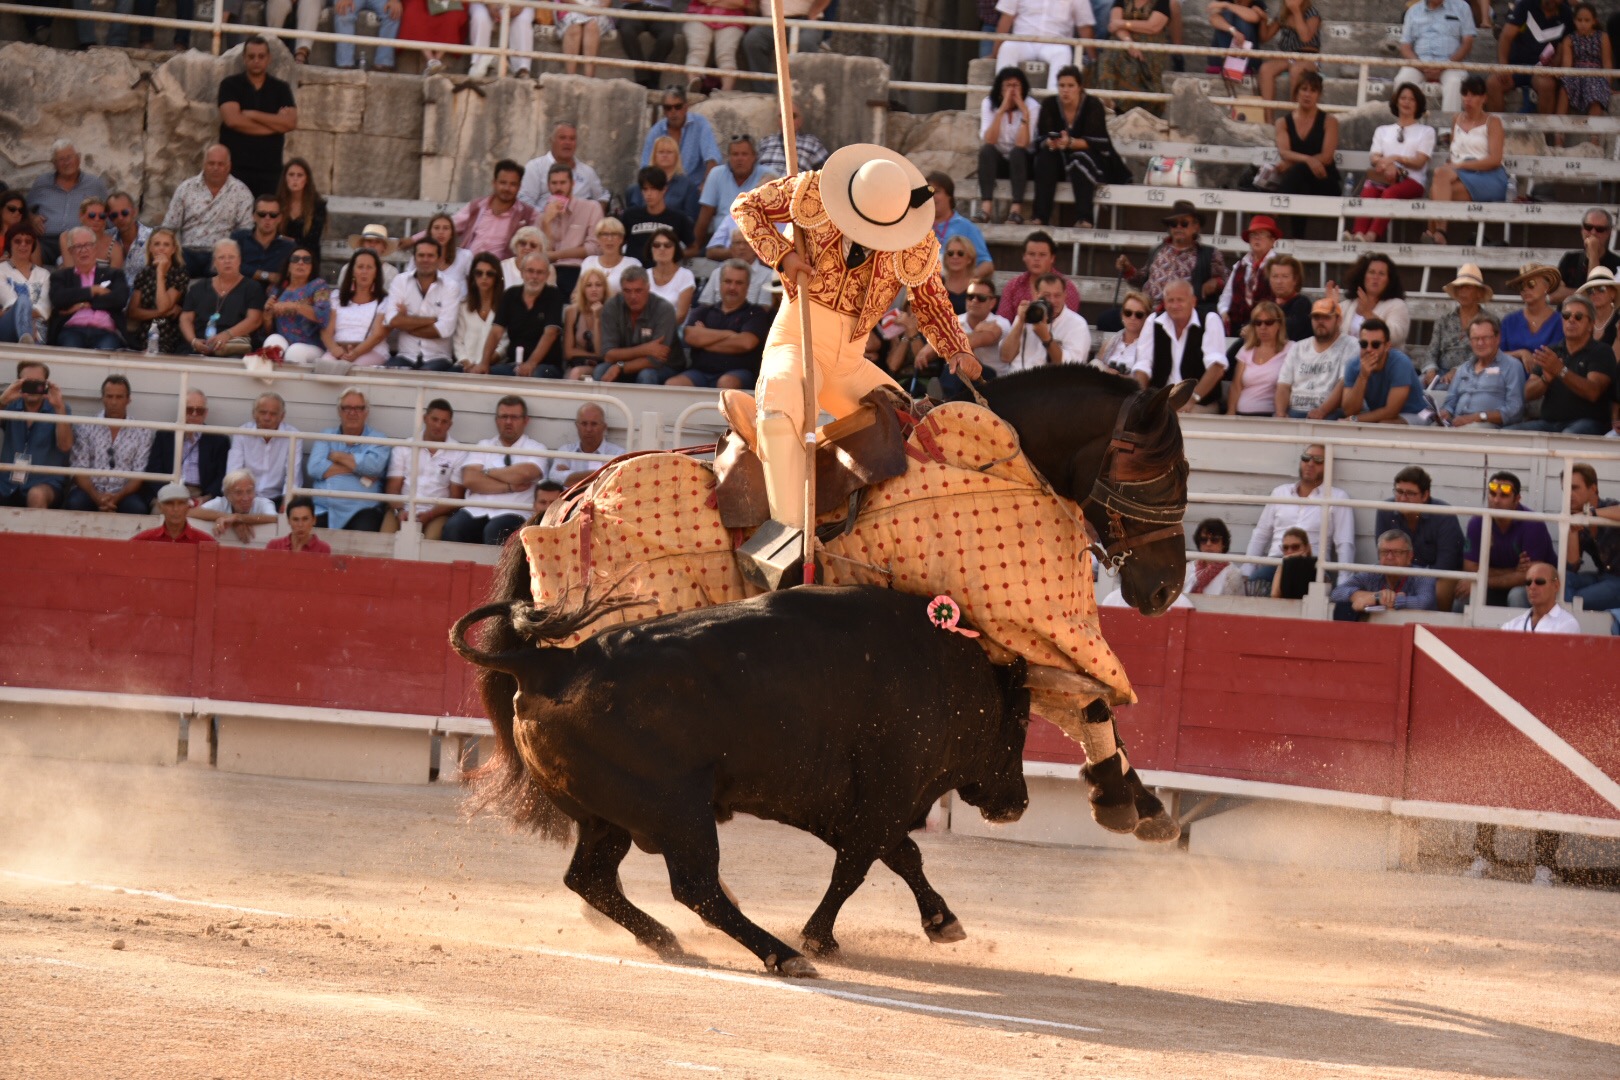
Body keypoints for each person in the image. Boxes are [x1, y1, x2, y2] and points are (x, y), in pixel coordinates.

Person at [732, 144, 979, 537]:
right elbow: (746, 206)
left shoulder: (915, 237)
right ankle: (786, 531)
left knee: (912, 433)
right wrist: (783, 256)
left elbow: (931, 299)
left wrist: (957, 347)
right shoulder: (812, 190)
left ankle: (882, 535)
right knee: (780, 407)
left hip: (849, 361)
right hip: (796, 340)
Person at [1243, 442, 1355, 588]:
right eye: (1306, 458)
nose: (1310, 463)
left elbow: (1344, 543)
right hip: (1277, 561)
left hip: (1314, 564)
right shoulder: (1280, 493)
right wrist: (1247, 571)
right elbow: (1261, 534)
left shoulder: (1338, 497)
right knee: (1256, 584)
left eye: (1318, 460)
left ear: (1328, 466)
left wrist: (1343, 583)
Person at [444, 395, 546, 545]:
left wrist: (486, 472)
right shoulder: (483, 445)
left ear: (526, 420)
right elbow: (470, 479)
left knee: (495, 530)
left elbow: (524, 474)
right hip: (476, 510)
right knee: (453, 527)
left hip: (514, 512)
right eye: (504, 417)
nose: (508, 422)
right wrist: (509, 486)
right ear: (497, 420)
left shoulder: (536, 448)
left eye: (514, 417)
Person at [1032, 65, 1125, 230]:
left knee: (1079, 158)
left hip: (1094, 159)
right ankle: (1040, 217)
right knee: (1046, 157)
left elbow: (1097, 142)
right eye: (1062, 86)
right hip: (1060, 158)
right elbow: (1041, 137)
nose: (1065, 90)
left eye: (1070, 86)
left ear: (1079, 87)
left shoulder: (1092, 105)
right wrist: (1051, 143)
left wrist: (1070, 143)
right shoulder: (1050, 104)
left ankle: (1085, 219)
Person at [1514, 294, 1615, 435]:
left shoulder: (1601, 351)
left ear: (1591, 325)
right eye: (1566, 316)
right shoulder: (1551, 351)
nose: (1571, 320)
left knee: (1567, 437)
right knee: (1508, 434)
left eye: (1578, 317)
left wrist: (1560, 370)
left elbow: (1593, 392)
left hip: (1589, 424)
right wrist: (1545, 380)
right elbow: (1527, 393)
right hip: (1549, 424)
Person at [1348, 84, 1437, 244]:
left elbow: (1419, 162)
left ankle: (1371, 236)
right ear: (1396, 101)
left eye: (1412, 99)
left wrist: (1395, 159)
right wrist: (1388, 165)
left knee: (1390, 194)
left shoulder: (1426, 131)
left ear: (1418, 104)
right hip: (1385, 177)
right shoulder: (1383, 130)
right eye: (1403, 98)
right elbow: (1375, 157)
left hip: (1412, 181)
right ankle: (1358, 235)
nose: (1407, 102)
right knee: (1369, 189)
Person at [1424, 75, 1507, 245]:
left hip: (1488, 175)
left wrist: (1460, 165)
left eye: (1473, 94)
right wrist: (1456, 166)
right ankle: (1439, 235)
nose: (1468, 99)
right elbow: (1454, 153)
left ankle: (1434, 231)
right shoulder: (1457, 119)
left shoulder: (1493, 122)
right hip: (1461, 173)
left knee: (1439, 179)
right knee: (1439, 188)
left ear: (1483, 98)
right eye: (1465, 93)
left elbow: (1495, 160)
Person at [669, 261, 773, 390]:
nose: (732, 287)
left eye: (738, 283)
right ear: (720, 284)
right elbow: (691, 337)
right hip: (699, 372)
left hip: (739, 373)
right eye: (728, 281)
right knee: (673, 384)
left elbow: (745, 343)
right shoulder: (703, 311)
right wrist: (729, 334)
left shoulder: (756, 313)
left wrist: (704, 339)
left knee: (726, 383)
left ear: (747, 287)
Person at [1459, 470, 1556, 608]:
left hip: (1528, 587)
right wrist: (1514, 572)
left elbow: (1530, 576)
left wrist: (1484, 581)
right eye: (1492, 494)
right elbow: (1470, 568)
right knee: (1464, 596)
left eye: (1504, 495)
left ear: (1517, 499)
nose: (1496, 500)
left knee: (1517, 596)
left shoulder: (1532, 523)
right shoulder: (1477, 522)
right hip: (1498, 587)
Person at [1376, 464, 1465, 612]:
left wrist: (1415, 581)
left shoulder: (1444, 514)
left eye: (1410, 493)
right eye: (1399, 491)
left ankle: (1436, 629)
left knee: (1442, 586)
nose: (1403, 498)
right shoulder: (1386, 510)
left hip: (1436, 578)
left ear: (1425, 495)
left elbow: (1445, 565)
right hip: (1400, 574)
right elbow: (1383, 555)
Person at [217, 38, 298, 197]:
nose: (256, 61)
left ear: (268, 59)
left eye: (261, 56)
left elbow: (290, 123)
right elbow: (233, 121)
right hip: (235, 170)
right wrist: (275, 125)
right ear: (244, 58)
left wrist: (253, 114)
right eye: (251, 56)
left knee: (267, 218)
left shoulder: (281, 88)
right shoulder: (230, 85)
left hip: (271, 171)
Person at [1112, 201, 1226, 315]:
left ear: (1196, 227)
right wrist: (1128, 269)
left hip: (1180, 314)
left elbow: (1228, 282)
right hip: (1146, 311)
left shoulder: (1209, 254)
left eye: (1184, 223)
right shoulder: (1157, 250)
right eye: (1173, 224)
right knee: (1107, 319)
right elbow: (1142, 280)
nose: (1178, 227)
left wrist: (1216, 282)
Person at [163, 145, 257, 279]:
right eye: (211, 163)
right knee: (176, 272)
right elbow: (169, 227)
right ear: (204, 165)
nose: (215, 168)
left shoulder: (241, 192)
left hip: (221, 253)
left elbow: (246, 231)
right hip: (188, 251)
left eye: (220, 164)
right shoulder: (186, 189)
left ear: (229, 166)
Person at [66, 375, 153, 516]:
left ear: (128, 399)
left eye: (119, 397)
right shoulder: (86, 427)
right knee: (75, 503)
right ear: (103, 398)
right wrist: (97, 498)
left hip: (124, 493)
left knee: (138, 509)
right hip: (90, 490)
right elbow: (79, 470)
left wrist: (116, 497)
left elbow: (138, 475)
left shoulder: (142, 431)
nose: (113, 402)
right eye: (109, 396)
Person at [307, 388, 389, 531]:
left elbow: (374, 468)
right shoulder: (327, 435)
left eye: (358, 408)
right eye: (347, 408)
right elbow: (314, 468)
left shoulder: (378, 439)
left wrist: (337, 457)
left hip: (363, 510)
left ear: (366, 412)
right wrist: (359, 468)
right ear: (339, 411)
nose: (352, 412)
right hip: (324, 508)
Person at [382, 398, 465, 540]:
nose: (438, 425)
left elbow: (456, 497)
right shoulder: (404, 447)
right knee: (384, 542)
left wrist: (430, 515)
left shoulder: (458, 452)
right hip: (402, 509)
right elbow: (393, 488)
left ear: (450, 425)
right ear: (425, 419)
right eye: (435, 419)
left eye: (444, 421)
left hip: (437, 514)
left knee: (429, 544)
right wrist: (400, 510)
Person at [1135, 280, 1225, 408]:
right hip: (1161, 404)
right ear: (1164, 304)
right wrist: (1141, 399)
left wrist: (1192, 399)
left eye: (1180, 300)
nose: (1175, 305)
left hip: (1200, 403)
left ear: (1193, 302)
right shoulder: (1153, 322)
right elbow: (1143, 365)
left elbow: (1217, 368)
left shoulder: (1210, 320)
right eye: (1170, 300)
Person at [380, 237, 460, 372]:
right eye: (421, 255)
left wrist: (405, 324)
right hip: (405, 355)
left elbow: (444, 329)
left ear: (439, 259)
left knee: (426, 374)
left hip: (438, 358)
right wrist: (431, 320)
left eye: (430, 255)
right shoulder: (400, 281)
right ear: (414, 258)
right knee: (387, 373)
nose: (425, 259)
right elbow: (392, 320)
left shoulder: (451, 286)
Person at [479, 251, 565, 378]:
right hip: (514, 364)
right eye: (530, 271)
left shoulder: (553, 295)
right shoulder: (510, 294)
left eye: (540, 272)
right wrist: (484, 363)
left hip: (545, 366)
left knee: (535, 374)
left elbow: (550, 333)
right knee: (488, 374)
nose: (534, 276)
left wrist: (531, 363)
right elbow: (496, 331)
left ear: (547, 275)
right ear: (522, 272)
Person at [0, 361, 73, 509]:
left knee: (36, 495)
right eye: (28, 383)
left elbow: (65, 446)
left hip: (45, 482)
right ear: (19, 384)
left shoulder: (60, 408)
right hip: (6, 482)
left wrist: (59, 408)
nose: (33, 388)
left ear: (46, 384)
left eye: (38, 383)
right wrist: (2, 401)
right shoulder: (10, 405)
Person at [1273, 70, 1338, 236]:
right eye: (1304, 89)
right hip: (1298, 183)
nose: (1308, 94)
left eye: (1313, 90)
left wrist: (1299, 162)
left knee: (1300, 172)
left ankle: (1273, 212)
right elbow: (1284, 152)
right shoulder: (1283, 122)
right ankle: (1297, 241)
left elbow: (1326, 157)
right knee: (1301, 182)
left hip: (1324, 180)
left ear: (1319, 95)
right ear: (1296, 92)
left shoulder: (1329, 121)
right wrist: (1308, 160)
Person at [595, 265, 684, 383]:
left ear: (648, 288)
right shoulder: (612, 306)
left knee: (646, 375)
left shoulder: (664, 309)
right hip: (622, 364)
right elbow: (608, 355)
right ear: (621, 290)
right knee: (600, 370)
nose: (633, 296)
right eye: (627, 291)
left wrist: (621, 367)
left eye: (638, 291)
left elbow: (656, 359)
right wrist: (644, 349)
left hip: (664, 367)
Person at [1439, 314, 1527, 430]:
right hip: (1456, 424)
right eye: (1475, 338)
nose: (1480, 343)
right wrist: (1446, 412)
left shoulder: (1512, 366)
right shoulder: (1463, 368)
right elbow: (1450, 402)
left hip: (1488, 428)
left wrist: (1477, 417)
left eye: (1485, 338)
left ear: (1497, 338)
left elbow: (1514, 411)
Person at [178, 239, 264, 358]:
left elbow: (255, 320)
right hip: (198, 348)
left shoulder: (252, 288)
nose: (227, 261)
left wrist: (227, 335)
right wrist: (193, 341)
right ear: (214, 263)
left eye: (231, 257)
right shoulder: (198, 287)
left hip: (234, 350)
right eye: (222, 257)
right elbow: (185, 318)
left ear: (239, 260)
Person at [693, 136, 775, 259]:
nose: (739, 159)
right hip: (723, 245)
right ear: (729, 157)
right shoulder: (716, 174)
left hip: (759, 247)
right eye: (735, 154)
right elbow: (705, 216)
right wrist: (695, 247)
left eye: (744, 154)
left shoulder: (768, 176)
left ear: (754, 157)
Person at [49, 227, 130, 351]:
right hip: (72, 330)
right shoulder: (61, 276)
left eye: (88, 245)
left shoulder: (113, 274)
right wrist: (93, 290)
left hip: (105, 331)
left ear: (95, 248)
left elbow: (119, 299)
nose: (83, 251)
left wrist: (80, 304)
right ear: (70, 251)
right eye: (78, 247)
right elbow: (58, 298)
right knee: (71, 352)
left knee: (107, 353)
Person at [27, 141, 107, 265]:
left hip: (79, 243)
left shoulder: (94, 184)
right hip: (45, 241)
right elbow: (23, 210)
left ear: (78, 159)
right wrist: (32, 218)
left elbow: (107, 216)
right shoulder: (42, 183)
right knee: (27, 250)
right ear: (54, 164)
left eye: (69, 157)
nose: (66, 162)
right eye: (61, 159)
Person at [1488, 0, 1574, 113]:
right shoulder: (1525, 5)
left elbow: (1564, 46)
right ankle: (1498, 127)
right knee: (1493, 83)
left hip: (1542, 70)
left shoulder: (1566, 14)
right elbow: (1506, 37)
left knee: (1546, 85)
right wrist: (1503, 66)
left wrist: (1554, 67)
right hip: (1516, 66)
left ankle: (1543, 130)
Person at [1330, 529, 1438, 620]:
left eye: (1396, 552)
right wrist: (1374, 597)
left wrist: (1386, 599)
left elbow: (1424, 602)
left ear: (1409, 556)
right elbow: (1336, 593)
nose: (1390, 557)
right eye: (1384, 552)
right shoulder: (1372, 572)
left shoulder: (1423, 575)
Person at [1562, 462, 1620, 628]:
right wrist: (1573, 530)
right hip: (1602, 578)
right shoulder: (1575, 516)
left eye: (1575, 488)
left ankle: (1565, 627)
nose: (1569, 494)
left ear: (1593, 489)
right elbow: (1572, 566)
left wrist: (1592, 514)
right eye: (1565, 489)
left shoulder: (1608, 507)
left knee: (1577, 599)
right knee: (1564, 580)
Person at [1340, 318, 1430, 425]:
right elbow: (1349, 411)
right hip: (1381, 414)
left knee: (1385, 425)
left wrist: (1355, 419)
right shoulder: (1353, 365)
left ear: (1387, 346)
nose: (1369, 349)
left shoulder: (1400, 363)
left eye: (1375, 345)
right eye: (1364, 344)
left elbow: (1391, 411)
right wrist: (1363, 376)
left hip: (1416, 413)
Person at [145, 389, 229, 502]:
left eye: (199, 411)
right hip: (169, 491)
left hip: (201, 494)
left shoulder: (219, 440)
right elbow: (153, 471)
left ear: (205, 413)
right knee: (161, 513)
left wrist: (206, 498)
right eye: (189, 410)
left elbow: (222, 476)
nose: (194, 414)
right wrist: (165, 495)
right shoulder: (164, 436)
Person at [976, 66, 1036, 227]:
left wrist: (1024, 113)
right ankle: (985, 209)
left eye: (1016, 86)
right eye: (1008, 86)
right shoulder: (989, 104)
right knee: (986, 151)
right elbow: (989, 139)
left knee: (1018, 152)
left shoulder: (1032, 106)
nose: (1012, 91)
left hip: (1024, 163)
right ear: (1000, 89)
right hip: (1000, 162)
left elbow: (1022, 143)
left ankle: (1016, 211)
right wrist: (1001, 111)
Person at [1393, 0, 1475, 114]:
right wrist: (1422, 66)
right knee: (1402, 80)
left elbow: (1468, 43)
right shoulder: (1413, 11)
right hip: (1420, 64)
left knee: (1455, 83)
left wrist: (1444, 66)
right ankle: (1405, 127)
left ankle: (1447, 130)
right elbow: (1405, 46)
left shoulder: (1462, 7)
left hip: (1452, 64)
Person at [1276, 298, 1352, 418]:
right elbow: (1283, 385)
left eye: (1326, 317)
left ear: (1339, 320)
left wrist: (1322, 411)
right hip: (1294, 412)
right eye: (1316, 317)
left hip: (1330, 414)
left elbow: (1343, 383)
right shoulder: (1298, 347)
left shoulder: (1350, 344)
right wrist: (1280, 413)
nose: (1320, 321)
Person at [451, 160, 540, 263]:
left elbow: (543, 241)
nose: (507, 188)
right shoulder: (477, 207)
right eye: (503, 183)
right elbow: (449, 227)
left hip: (501, 273)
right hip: (467, 268)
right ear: (494, 183)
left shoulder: (527, 214)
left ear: (519, 187)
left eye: (513, 184)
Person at [1001, 272, 1093, 371]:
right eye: (1046, 296)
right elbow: (1006, 357)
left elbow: (1071, 368)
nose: (1052, 301)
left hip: (1052, 384)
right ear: (1036, 295)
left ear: (1065, 295)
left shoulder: (1077, 324)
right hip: (1017, 379)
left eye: (1057, 295)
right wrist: (1020, 321)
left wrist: (1046, 338)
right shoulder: (1026, 315)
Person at [993, 0, 1093, 89]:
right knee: (1007, 47)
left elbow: (1084, 26)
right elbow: (1006, 18)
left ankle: (1054, 105)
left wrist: (1094, 59)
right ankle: (1002, 100)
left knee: (1063, 52)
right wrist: (995, 53)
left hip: (1055, 43)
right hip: (1023, 41)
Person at [538, 162, 603, 300]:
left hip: (578, 270)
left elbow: (594, 248)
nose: (558, 187)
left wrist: (555, 255)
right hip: (549, 272)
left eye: (563, 182)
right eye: (554, 183)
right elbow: (542, 255)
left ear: (572, 184)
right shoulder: (542, 217)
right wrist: (547, 223)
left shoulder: (591, 208)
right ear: (548, 185)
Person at [639, 87, 721, 191]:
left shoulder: (700, 124)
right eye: (668, 108)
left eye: (678, 107)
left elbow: (712, 159)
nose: (673, 112)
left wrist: (706, 186)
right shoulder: (656, 131)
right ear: (664, 111)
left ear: (686, 107)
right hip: (663, 191)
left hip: (694, 190)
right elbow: (645, 167)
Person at [518, 122, 611, 214]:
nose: (568, 143)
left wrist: (596, 212)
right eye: (562, 138)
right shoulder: (535, 167)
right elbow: (525, 201)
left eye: (572, 139)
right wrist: (544, 215)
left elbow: (603, 196)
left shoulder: (587, 172)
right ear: (551, 141)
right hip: (544, 222)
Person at [226, 392, 301, 507]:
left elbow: (293, 475)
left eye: (273, 414)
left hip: (277, 499)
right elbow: (234, 472)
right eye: (262, 412)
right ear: (254, 414)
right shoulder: (242, 433)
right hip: (245, 497)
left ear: (282, 416)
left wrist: (287, 501)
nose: (267, 418)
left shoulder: (293, 436)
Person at [320, 250, 391, 368]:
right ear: (353, 271)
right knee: (324, 365)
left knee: (351, 368)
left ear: (376, 272)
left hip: (371, 351)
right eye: (360, 267)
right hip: (339, 350)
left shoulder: (384, 301)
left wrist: (356, 353)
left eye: (369, 267)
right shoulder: (337, 297)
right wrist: (334, 349)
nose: (364, 271)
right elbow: (326, 330)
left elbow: (377, 335)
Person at [1099, 0, 1171, 115]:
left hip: (1149, 51)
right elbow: (1114, 24)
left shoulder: (1161, 2)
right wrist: (1129, 42)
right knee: (1110, 59)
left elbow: (1153, 26)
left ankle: (1128, 110)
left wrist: (1124, 24)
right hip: (1124, 43)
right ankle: (1111, 105)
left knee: (1134, 67)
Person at [263, 244, 330, 365]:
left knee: (295, 351)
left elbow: (323, 316)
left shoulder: (319, 286)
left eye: (306, 260)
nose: (300, 263)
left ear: (312, 266)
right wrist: (267, 317)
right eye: (295, 259)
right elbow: (269, 330)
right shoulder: (276, 290)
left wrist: (295, 306)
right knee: (271, 341)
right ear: (288, 266)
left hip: (311, 346)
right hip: (284, 340)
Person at [1426, 264, 1492, 387]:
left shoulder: (1488, 322)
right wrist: (1430, 370)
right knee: (1414, 388)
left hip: (1471, 373)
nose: (1463, 291)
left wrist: (1458, 370)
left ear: (1478, 292)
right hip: (1439, 372)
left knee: (1442, 388)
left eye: (1468, 287)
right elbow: (1432, 351)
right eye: (1460, 287)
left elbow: (1484, 355)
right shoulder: (1443, 320)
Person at [1218, 214, 1280, 339]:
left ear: (1272, 241)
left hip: (1265, 327)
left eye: (1261, 234)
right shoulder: (1240, 265)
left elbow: (1278, 302)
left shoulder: (1278, 265)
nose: (1256, 238)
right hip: (1237, 326)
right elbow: (1226, 296)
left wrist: (1255, 324)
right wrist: (1224, 311)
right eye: (1253, 235)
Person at [1256, 0, 1321, 118]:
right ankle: (1269, 120)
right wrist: (1263, 19)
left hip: (1308, 57)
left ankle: (1294, 119)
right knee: (1265, 69)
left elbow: (1305, 37)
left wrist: (1296, 11)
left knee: (1296, 70)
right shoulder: (1283, 14)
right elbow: (1264, 37)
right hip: (1288, 56)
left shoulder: (1312, 14)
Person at [1500, 262, 1565, 378]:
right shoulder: (1509, 321)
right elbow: (1495, 355)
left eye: (1531, 284)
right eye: (1521, 286)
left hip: (1547, 386)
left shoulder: (1560, 322)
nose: (1525, 289)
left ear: (1546, 287)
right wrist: (1520, 353)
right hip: (1510, 385)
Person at [999, 231, 1082, 321]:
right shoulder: (1012, 286)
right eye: (1031, 254)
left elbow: (1068, 324)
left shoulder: (1067, 288)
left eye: (1042, 255)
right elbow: (1003, 323)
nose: (1036, 259)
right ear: (1024, 256)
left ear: (1052, 258)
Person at [927, 173, 994, 281]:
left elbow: (987, 265)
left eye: (937, 191)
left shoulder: (967, 228)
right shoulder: (917, 227)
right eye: (928, 192)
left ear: (949, 196)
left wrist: (964, 281)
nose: (931, 196)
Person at [623, 166, 695, 265]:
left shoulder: (678, 218)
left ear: (664, 189)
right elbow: (617, 242)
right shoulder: (629, 215)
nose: (648, 194)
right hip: (634, 274)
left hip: (664, 274)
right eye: (645, 189)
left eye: (653, 189)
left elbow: (694, 248)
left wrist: (672, 255)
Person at [1229, 300, 1290, 416]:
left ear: (1279, 324)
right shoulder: (1246, 350)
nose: (1263, 327)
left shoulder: (1291, 349)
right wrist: (1230, 413)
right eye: (1258, 323)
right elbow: (1236, 386)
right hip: (1242, 414)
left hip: (1271, 416)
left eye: (1269, 322)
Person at [546, 402, 626, 486]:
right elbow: (554, 480)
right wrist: (602, 474)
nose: (588, 429)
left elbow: (617, 481)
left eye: (594, 424)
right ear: (577, 426)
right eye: (584, 424)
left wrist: (571, 475)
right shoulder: (565, 451)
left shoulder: (618, 454)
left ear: (604, 427)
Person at [190, 468, 279, 543]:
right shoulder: (221, 502)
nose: (245, 498)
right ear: (228, 495)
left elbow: (275, 518)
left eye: (249, 491)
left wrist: (238, 518)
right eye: (238, 492)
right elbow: (191, 512)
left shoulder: (263, 503)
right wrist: (232, 519)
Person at [1552, 208, 1620, 305]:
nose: (1593, 233)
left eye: (1599, 229)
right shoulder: (1569, 259)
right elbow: (1554, 295)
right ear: (1582, 230)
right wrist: (1586, 294)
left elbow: (1596, 295)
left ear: (1608, 233)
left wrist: (1593, 254)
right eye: (1588, 227)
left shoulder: (1617, 264)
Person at [1557, 4, 1613, 120]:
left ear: (1594, 21)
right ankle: (1559, 135)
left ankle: (1594, 137)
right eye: (1579, 20)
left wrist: (1608, 84)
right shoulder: (1569, 39)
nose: (1583, 24)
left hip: (1596, 76)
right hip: (1576, 75)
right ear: (1574, 21)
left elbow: (1607, 63)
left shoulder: (1603, 37)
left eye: (1587, 20)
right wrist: (1565, 77)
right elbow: (1567, 65)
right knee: (1564, 89)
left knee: (1596, 92)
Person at [231, 194, 296, 291]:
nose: (267, 218)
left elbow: (292, 275)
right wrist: (267, 276)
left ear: (280, 218)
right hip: (238, 293)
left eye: (273, 215)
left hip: (273, 298)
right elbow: (230, 266)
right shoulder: (238, 238)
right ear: (254, 216)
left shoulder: (289, 246)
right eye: (262, 214)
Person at [683, 0, 750, 91]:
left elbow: (741, 3)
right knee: (698, 50)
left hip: (732, 20)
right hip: (699, 15)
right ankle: (694, 86)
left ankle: (726, 91)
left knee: (726, 55)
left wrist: (711, 2)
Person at [1, 227, 51, 345]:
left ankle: (27, 338)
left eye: (28, 241)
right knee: (22, 300)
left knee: (23, 303)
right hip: (7, 327)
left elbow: (45, 309)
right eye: (17, 241)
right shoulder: (1, 270)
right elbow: (11, 303)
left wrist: (24, 314)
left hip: (39, 330)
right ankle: (26, 337)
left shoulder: (44, 274)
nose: (23, 245)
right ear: (9, 244)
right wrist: (26, 316)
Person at [1499, 562, 1580, 632]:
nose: (1532, 586)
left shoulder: (1568, 624)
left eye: (1539, 582)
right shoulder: (1511, 626)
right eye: (1528, 582)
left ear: (1556, 586)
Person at [456, 252, 504, 370]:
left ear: (497, 277)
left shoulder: (504, 306)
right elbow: (458, 342)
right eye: (479, 273)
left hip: (493, 367)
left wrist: (484, 363)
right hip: (464, 367)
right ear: (473, 276)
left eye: (490, 274)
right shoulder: (463, 306)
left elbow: (504, 345)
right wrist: (467, 363)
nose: (484, 277)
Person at [617, 0, 679, 89]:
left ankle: (653, 77)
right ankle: (642, 77)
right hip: (633, 9)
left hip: (661, 11)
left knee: (667, 37)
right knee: (627, 31)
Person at [756, 104, 831, 177]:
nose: (787, 119)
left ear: (801, 120)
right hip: (764, 187)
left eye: (793, 116)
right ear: (778, 120)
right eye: (782, 116)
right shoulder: (765, 142)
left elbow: (828, 172)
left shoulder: (811, 143)